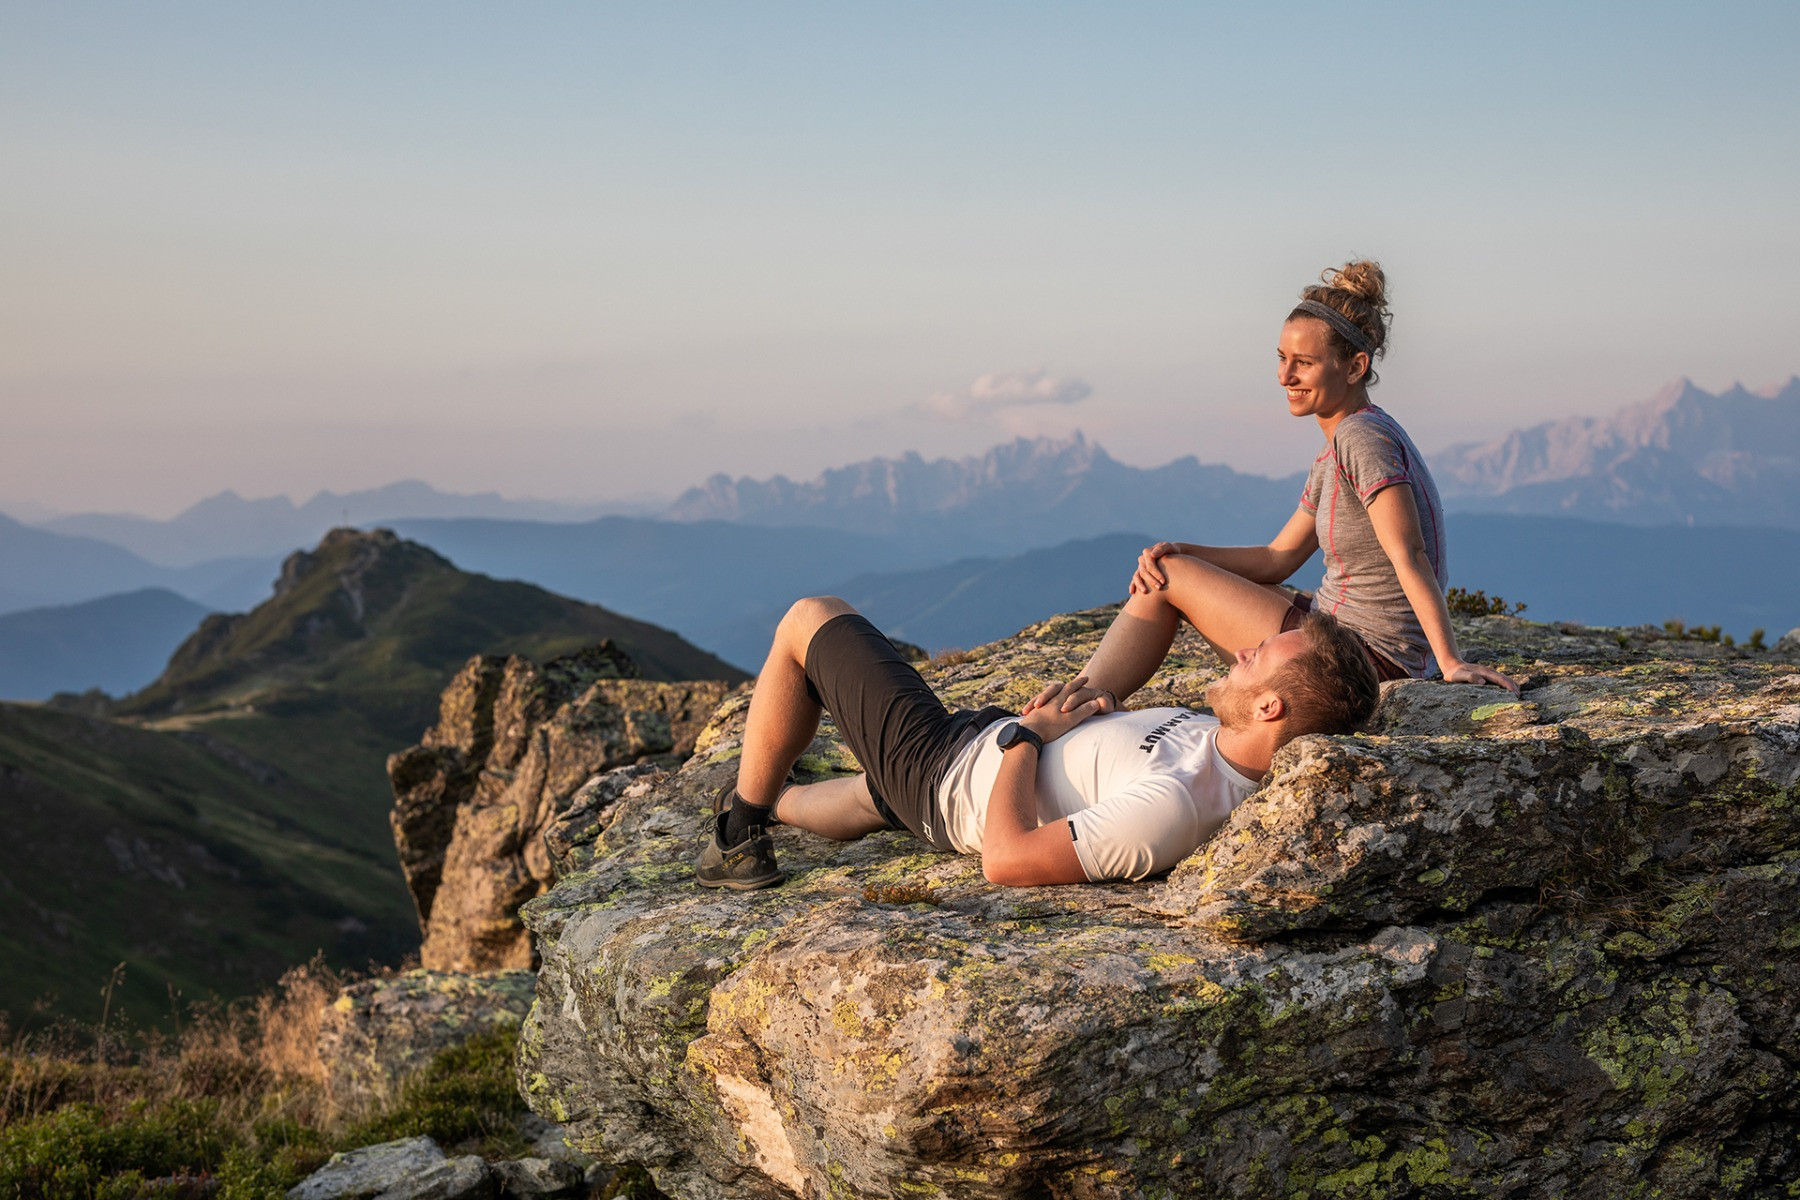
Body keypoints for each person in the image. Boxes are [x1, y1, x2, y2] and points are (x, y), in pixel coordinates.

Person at [1039, 260, 1517, 717]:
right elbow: (1277, 559)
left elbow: (1408, 553)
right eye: (1282, 359)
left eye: (1303, 363)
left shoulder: (1360, 438)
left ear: (1355, 367)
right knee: (1175, 568)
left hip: (1361, 661)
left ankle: (1078, 704)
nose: (1285, 377)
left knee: (1166, 579)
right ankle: (1086, 697)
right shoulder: (1340, 445)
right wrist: (1182, 550)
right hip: (1343, 634)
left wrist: (1449, 661)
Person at [694, 595, 1379, 890]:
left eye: (1259, 658)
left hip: (945, 773)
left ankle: (737, 834)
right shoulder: (1222, 747)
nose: (1244, 649)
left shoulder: (1175, 806)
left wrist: (1029, 737)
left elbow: (1006, 859)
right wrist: (1100, 716)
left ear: (1269, 707)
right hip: (966, 760)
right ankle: (772, 801)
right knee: (866, 798)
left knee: (809, 618)